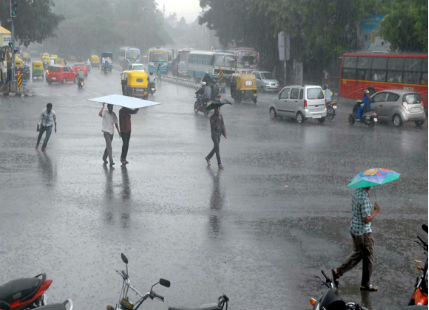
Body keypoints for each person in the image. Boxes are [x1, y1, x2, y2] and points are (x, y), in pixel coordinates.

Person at [331, 186, 381, 292]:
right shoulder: (364, 199)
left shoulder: (356, 192)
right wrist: (376, 211)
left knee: (359, 255)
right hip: (364, 233)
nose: (372, 186)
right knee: (369, 259)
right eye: (371, 184)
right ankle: (365, 284)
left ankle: (338, 271)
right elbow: (367, 219)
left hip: (355, 229)